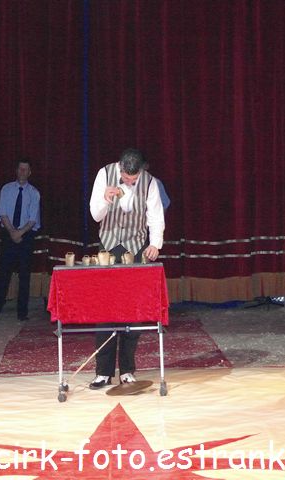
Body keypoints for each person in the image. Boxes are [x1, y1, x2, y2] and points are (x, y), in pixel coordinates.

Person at [88, 148, 165, 389]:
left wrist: (155, 244)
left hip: (136, 248)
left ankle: (127, 370)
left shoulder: (150, 183)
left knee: (133, 311)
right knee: (105, 310)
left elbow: (155, 215)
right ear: (119, 168)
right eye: (126, 178)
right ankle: (103, 372)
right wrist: (105, 198)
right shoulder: (104, 174)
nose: (129, 182)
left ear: (141, 171)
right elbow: (95, 215)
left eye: (134, 179)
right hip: (109, 248)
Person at [0, 159, 41, 322]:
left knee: (24, 276)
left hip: (26, 235)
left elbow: (33, 219)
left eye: (26, 169)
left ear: (30, 173)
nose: (23, 172)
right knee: (3, 274)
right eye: (20, 169)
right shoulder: (6, 189)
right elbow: (2, 213)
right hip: (8, 234)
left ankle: (22, 313)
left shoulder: (34, 193)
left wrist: (20, 232)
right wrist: (12, 232)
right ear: (16, 171)